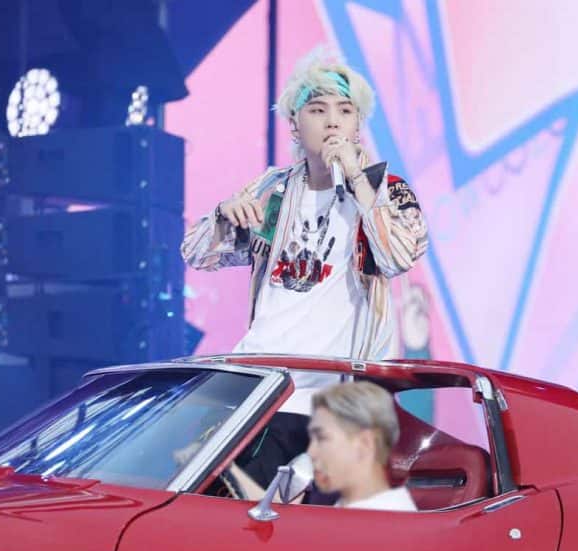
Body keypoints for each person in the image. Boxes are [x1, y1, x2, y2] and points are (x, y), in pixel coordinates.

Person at [181, 51, 428, 485]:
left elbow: (399, 257)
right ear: (295, 124)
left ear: (357, 125)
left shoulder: (386, 190)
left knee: (264, 506)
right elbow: (196, 254)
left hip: (329, 398)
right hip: (258, 384)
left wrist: (358, 179)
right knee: (198, 492)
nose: (332, 122)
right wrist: (223, 216)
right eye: (317, 110)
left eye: (345, 111)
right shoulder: (273, 190)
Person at [224, 381, 416, 512]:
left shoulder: (385, 521)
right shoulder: (354, 510)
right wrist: (228, 467)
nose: (311, 452)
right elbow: (275, 515)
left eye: (322, 438)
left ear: (364, 444)